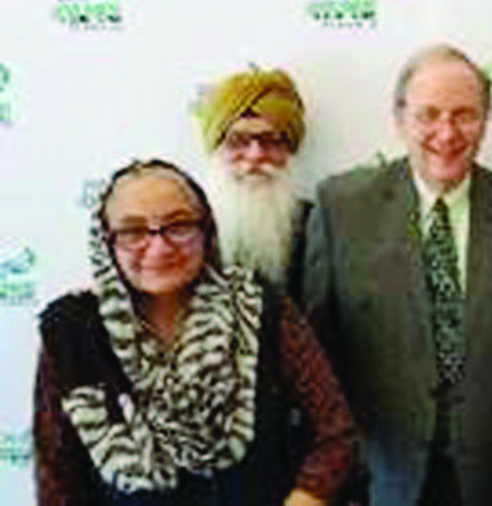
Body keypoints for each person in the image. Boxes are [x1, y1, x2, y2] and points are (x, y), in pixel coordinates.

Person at [303, 44, 492, 506]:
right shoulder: (341, 206)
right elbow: (317, 364)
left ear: (486, 120)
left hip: (491, 482)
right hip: (376, 481)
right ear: (399, 119)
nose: (446, 133)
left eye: (465, 115)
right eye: (428, 115)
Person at [33, 159, 353, 506]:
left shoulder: (261, 307)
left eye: (179, 225)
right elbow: (56, 477)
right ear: (106, 243)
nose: (159, 247)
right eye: (133, 231)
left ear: (206, 230)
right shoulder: (71, 334)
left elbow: (335, 434)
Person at [197, 67, 312, 302]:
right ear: (215, 147)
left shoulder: (316, 224)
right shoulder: (184, 227)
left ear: (290, 148)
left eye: (272, 141)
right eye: (238, 141)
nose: (255, 155)